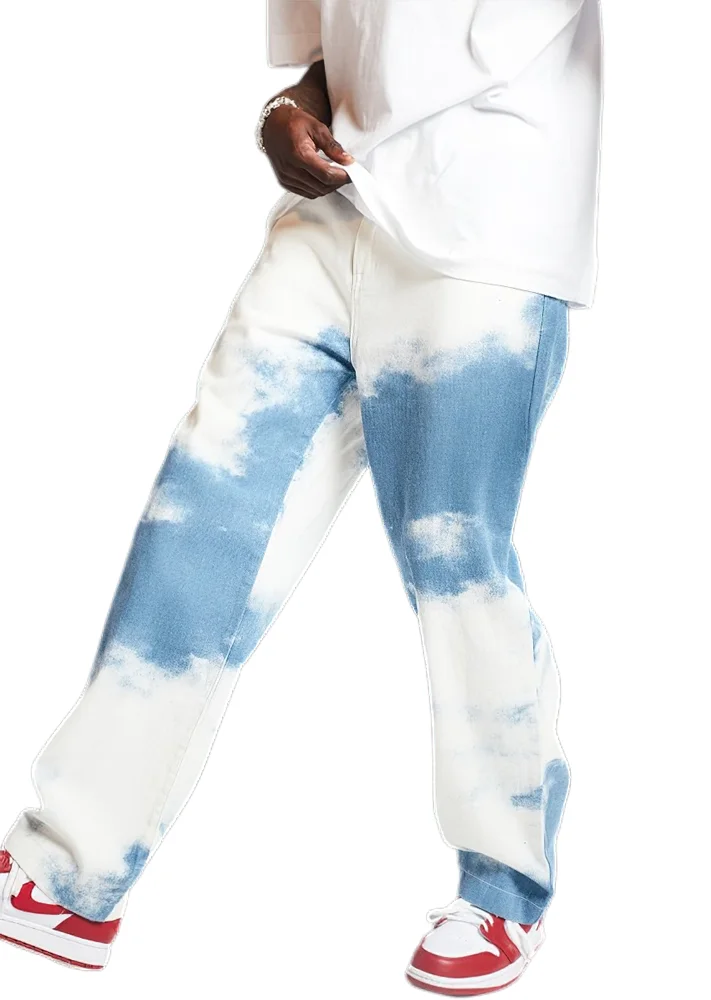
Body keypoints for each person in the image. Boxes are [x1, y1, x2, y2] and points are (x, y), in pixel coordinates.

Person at [0, 1, 602, 993]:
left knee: (453, 560)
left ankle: (504, 888)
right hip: (333, 218)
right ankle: (67, 873)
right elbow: (341, 56)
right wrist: (286, 110)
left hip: (487, 228)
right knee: (200, 516)